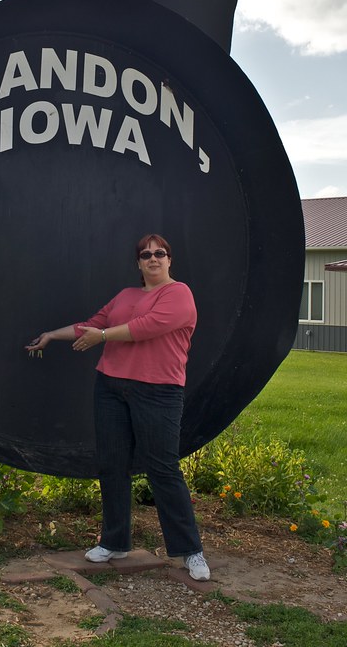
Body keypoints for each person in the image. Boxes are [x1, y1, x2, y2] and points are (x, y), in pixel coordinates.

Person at [24, 233, 210, 581]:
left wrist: (104, 337)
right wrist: (52, 335)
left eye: (159, 253)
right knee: (112, 464)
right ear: (138, 263)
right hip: (110, 386)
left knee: (163, 468)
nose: (153, 258)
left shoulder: (179, 293)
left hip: (158, 390)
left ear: (169, 260)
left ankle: (190, 550)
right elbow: (94, 324)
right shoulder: (126, 296)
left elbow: (146, 327)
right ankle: (114, 542)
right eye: (146, 254)